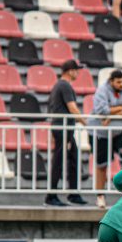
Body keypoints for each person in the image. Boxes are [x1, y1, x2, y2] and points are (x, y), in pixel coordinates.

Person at [90, 70, 122, 209]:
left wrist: (111, 115)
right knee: (101, 165)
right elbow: (101, 110)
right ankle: (100, 196)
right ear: (111, 81)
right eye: (118, 82)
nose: (121, 84)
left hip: (121, 130)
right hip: (101, 132)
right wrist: (121, 108)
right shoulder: (102, 90)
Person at [46, 59, 86, 207]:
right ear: (70, 71)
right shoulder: (64, 85)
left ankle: (73, 193)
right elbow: (72, 108)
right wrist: (86, 123)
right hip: (63, 128)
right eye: (76, 70)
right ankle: (51, 196)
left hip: (63, 128)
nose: (78, 73)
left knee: (73, 159)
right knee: (59, 161)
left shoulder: (59, 85)